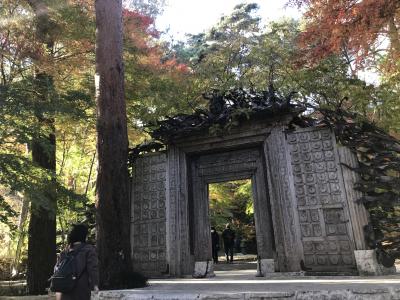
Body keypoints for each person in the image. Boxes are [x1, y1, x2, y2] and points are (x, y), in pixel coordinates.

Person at [55, 224, 99, 300]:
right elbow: (92, 268)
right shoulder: (88, 249)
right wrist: (95, 285)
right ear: (84, 235)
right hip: (81, 289)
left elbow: (57, 269)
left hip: (64, 289)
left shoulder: (65, 251)